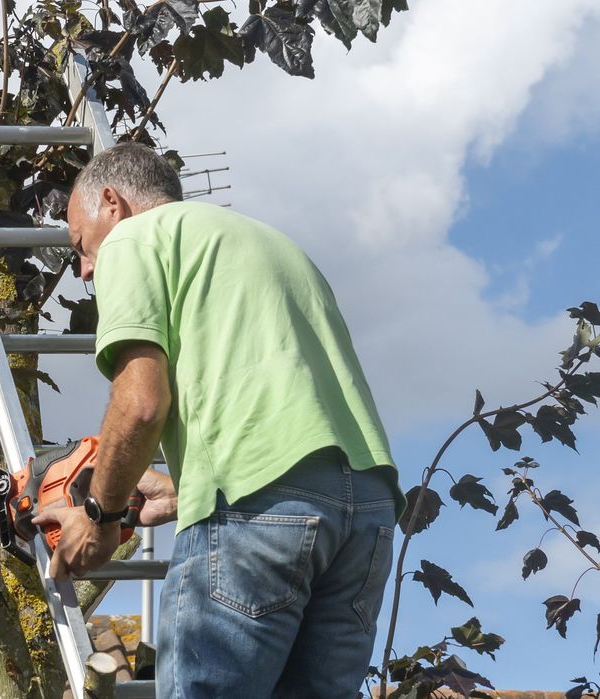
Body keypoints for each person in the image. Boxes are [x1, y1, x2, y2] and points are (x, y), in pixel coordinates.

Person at [31, 142, 405, 698]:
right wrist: (187, 490)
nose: (85, 270)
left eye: (80, 247)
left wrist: (98, 514)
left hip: (258, 511)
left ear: (112, 202)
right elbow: (292, 426)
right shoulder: (274, 246)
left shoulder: (135, 239)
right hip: (367, 514)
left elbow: (141, 404)